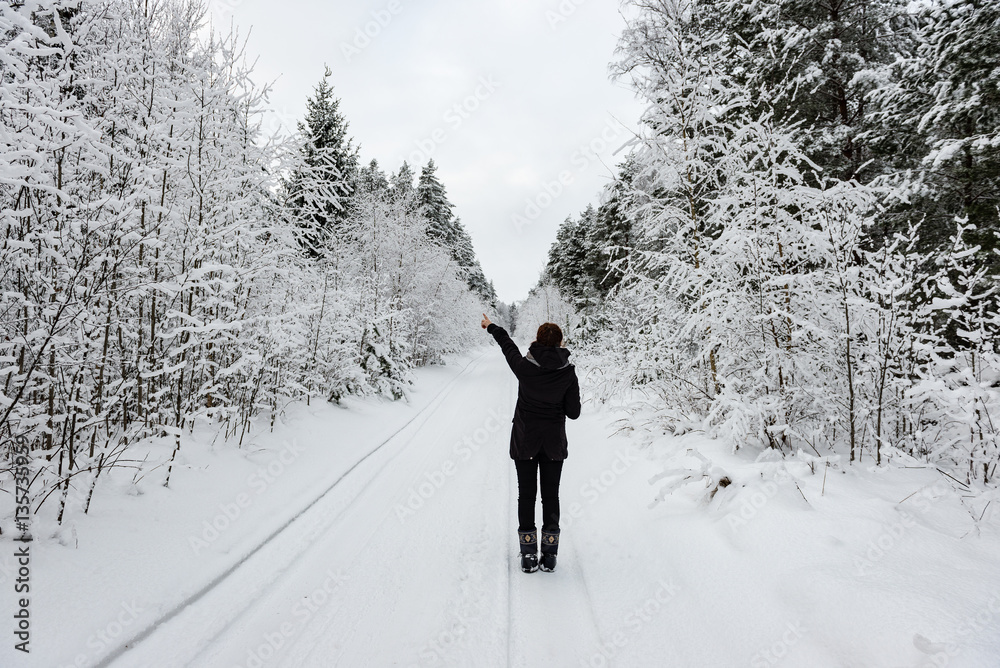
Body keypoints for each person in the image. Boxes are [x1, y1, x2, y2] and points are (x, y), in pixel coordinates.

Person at [481, 313, 581, 573]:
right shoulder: (568, 372)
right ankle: (549, 556)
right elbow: (574, 412)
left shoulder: (524, 367)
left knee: (526, 496)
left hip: (525, 442)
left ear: (537, 340)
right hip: (553, 445)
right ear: (560, 343)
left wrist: (491, 326)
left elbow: (508, 346)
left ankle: (527, 556)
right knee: (551, 496)